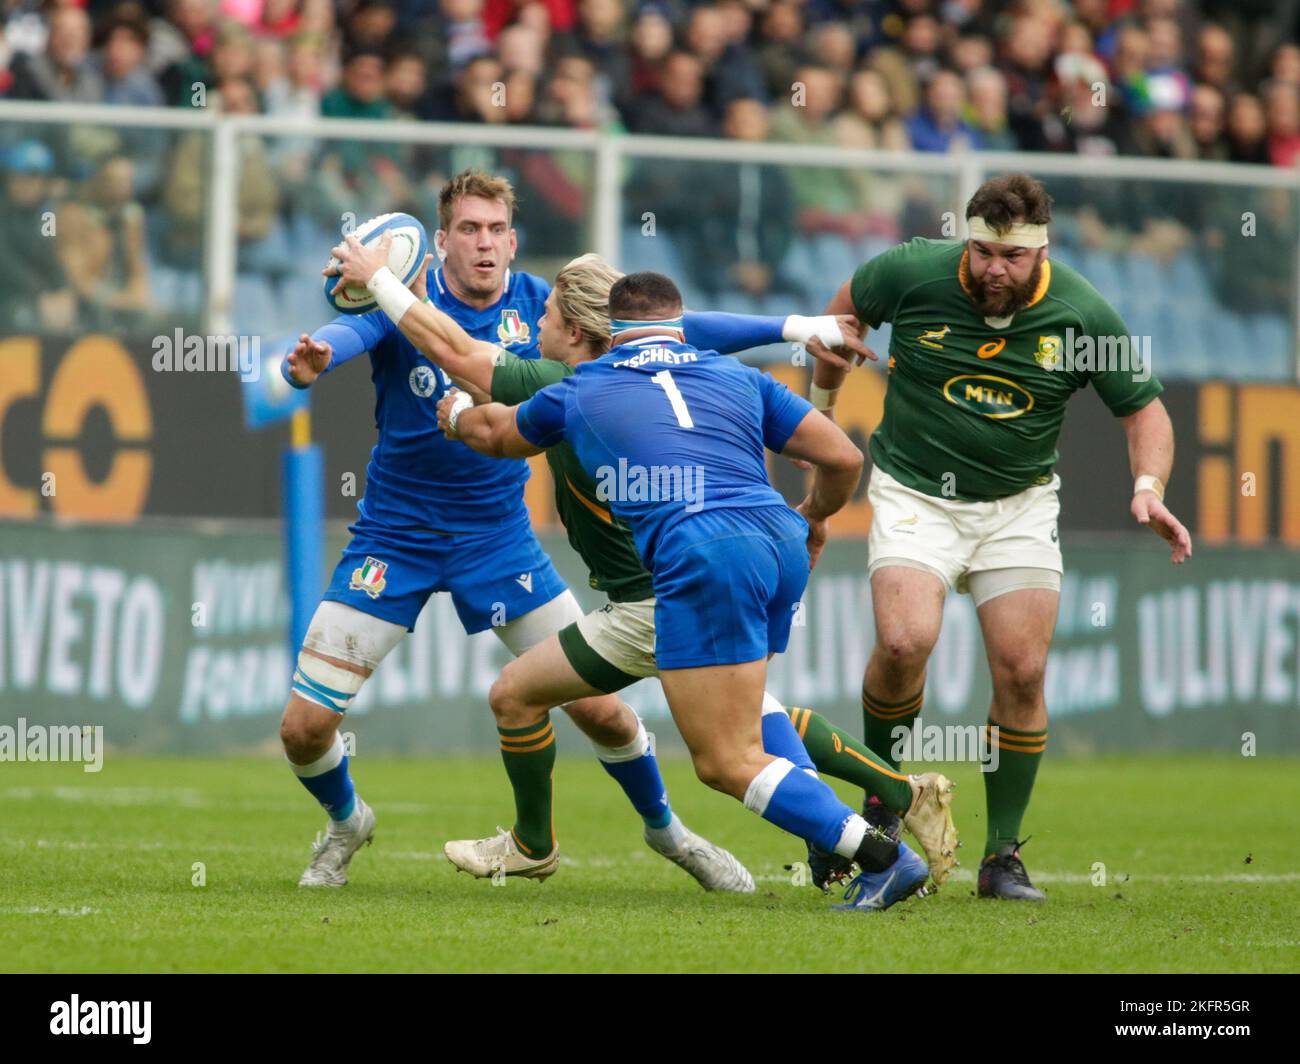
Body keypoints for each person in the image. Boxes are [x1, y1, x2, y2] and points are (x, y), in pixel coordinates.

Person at [328, 241, 958, 903]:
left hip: (681, 577)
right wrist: (815, 516)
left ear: (577, 330)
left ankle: (878, 854)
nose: (536, 326)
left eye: (546, 317)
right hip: (774, 542)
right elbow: (841, 458)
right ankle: (891, 796)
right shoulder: (728, 373)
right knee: (748, 722)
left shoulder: (572, 387)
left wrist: (437, 383)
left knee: (726, 759)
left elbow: (472, 385)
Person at [280, 169, 844, 892]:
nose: (484, 244)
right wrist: (310, 363)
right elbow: (350, 326)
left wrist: (793, 328)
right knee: (302, 729)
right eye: (469, 230)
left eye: (496, 231)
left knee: (604, 714)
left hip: (500, 539)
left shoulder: (546, 307)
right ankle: (346, 822)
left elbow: (679, 329)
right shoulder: (406, 300)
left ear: (513, 241)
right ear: (440, 240)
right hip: (396, 536)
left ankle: (669, 831)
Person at [807, 172, 1192, 901]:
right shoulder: (911, 272)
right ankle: (884, 810)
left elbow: (1144, 411)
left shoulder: (1080, 313)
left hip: (1017, 506)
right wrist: (823, 412)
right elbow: (838, 323)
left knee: (1020, 670)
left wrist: (1149, 489)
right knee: (903, 643)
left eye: (1011, 258)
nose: (993, 270)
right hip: (915, 490)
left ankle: (1000, 858)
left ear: (1040, 251)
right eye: (982, 252)